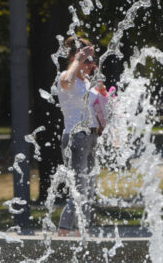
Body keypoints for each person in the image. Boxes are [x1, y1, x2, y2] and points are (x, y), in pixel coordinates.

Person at [56, 36, 105, 236]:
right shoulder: (66, 78)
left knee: (90, 189)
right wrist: (78, 59)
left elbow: (92, 109)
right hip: (75, 138)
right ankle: (65, 229)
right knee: (78, 188)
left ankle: (81, 230)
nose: (92, 65)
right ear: (75, 59)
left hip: (91, 137)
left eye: (93, 61)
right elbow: (68, 80)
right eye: (88, 61)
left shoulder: (85, 82)